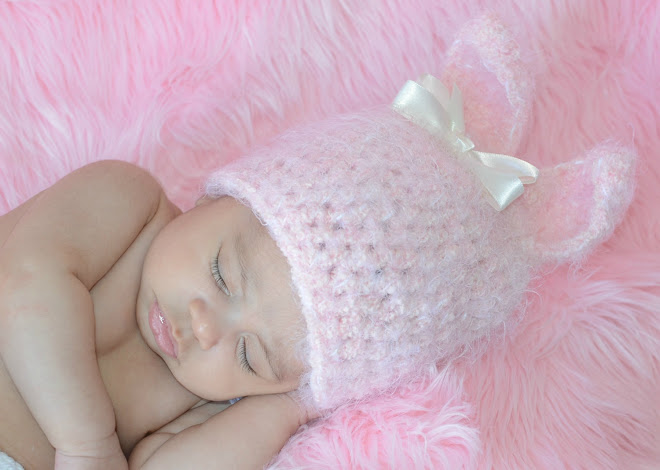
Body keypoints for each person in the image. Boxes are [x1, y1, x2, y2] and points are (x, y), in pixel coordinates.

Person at [0, 19, 636, 470]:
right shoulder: (126, 202)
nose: (204, 327)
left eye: (251, 356)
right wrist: (85, 443)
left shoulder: (206, 393)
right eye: (223, 274)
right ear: (225, 197)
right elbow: (24, 284)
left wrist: (288, 410)